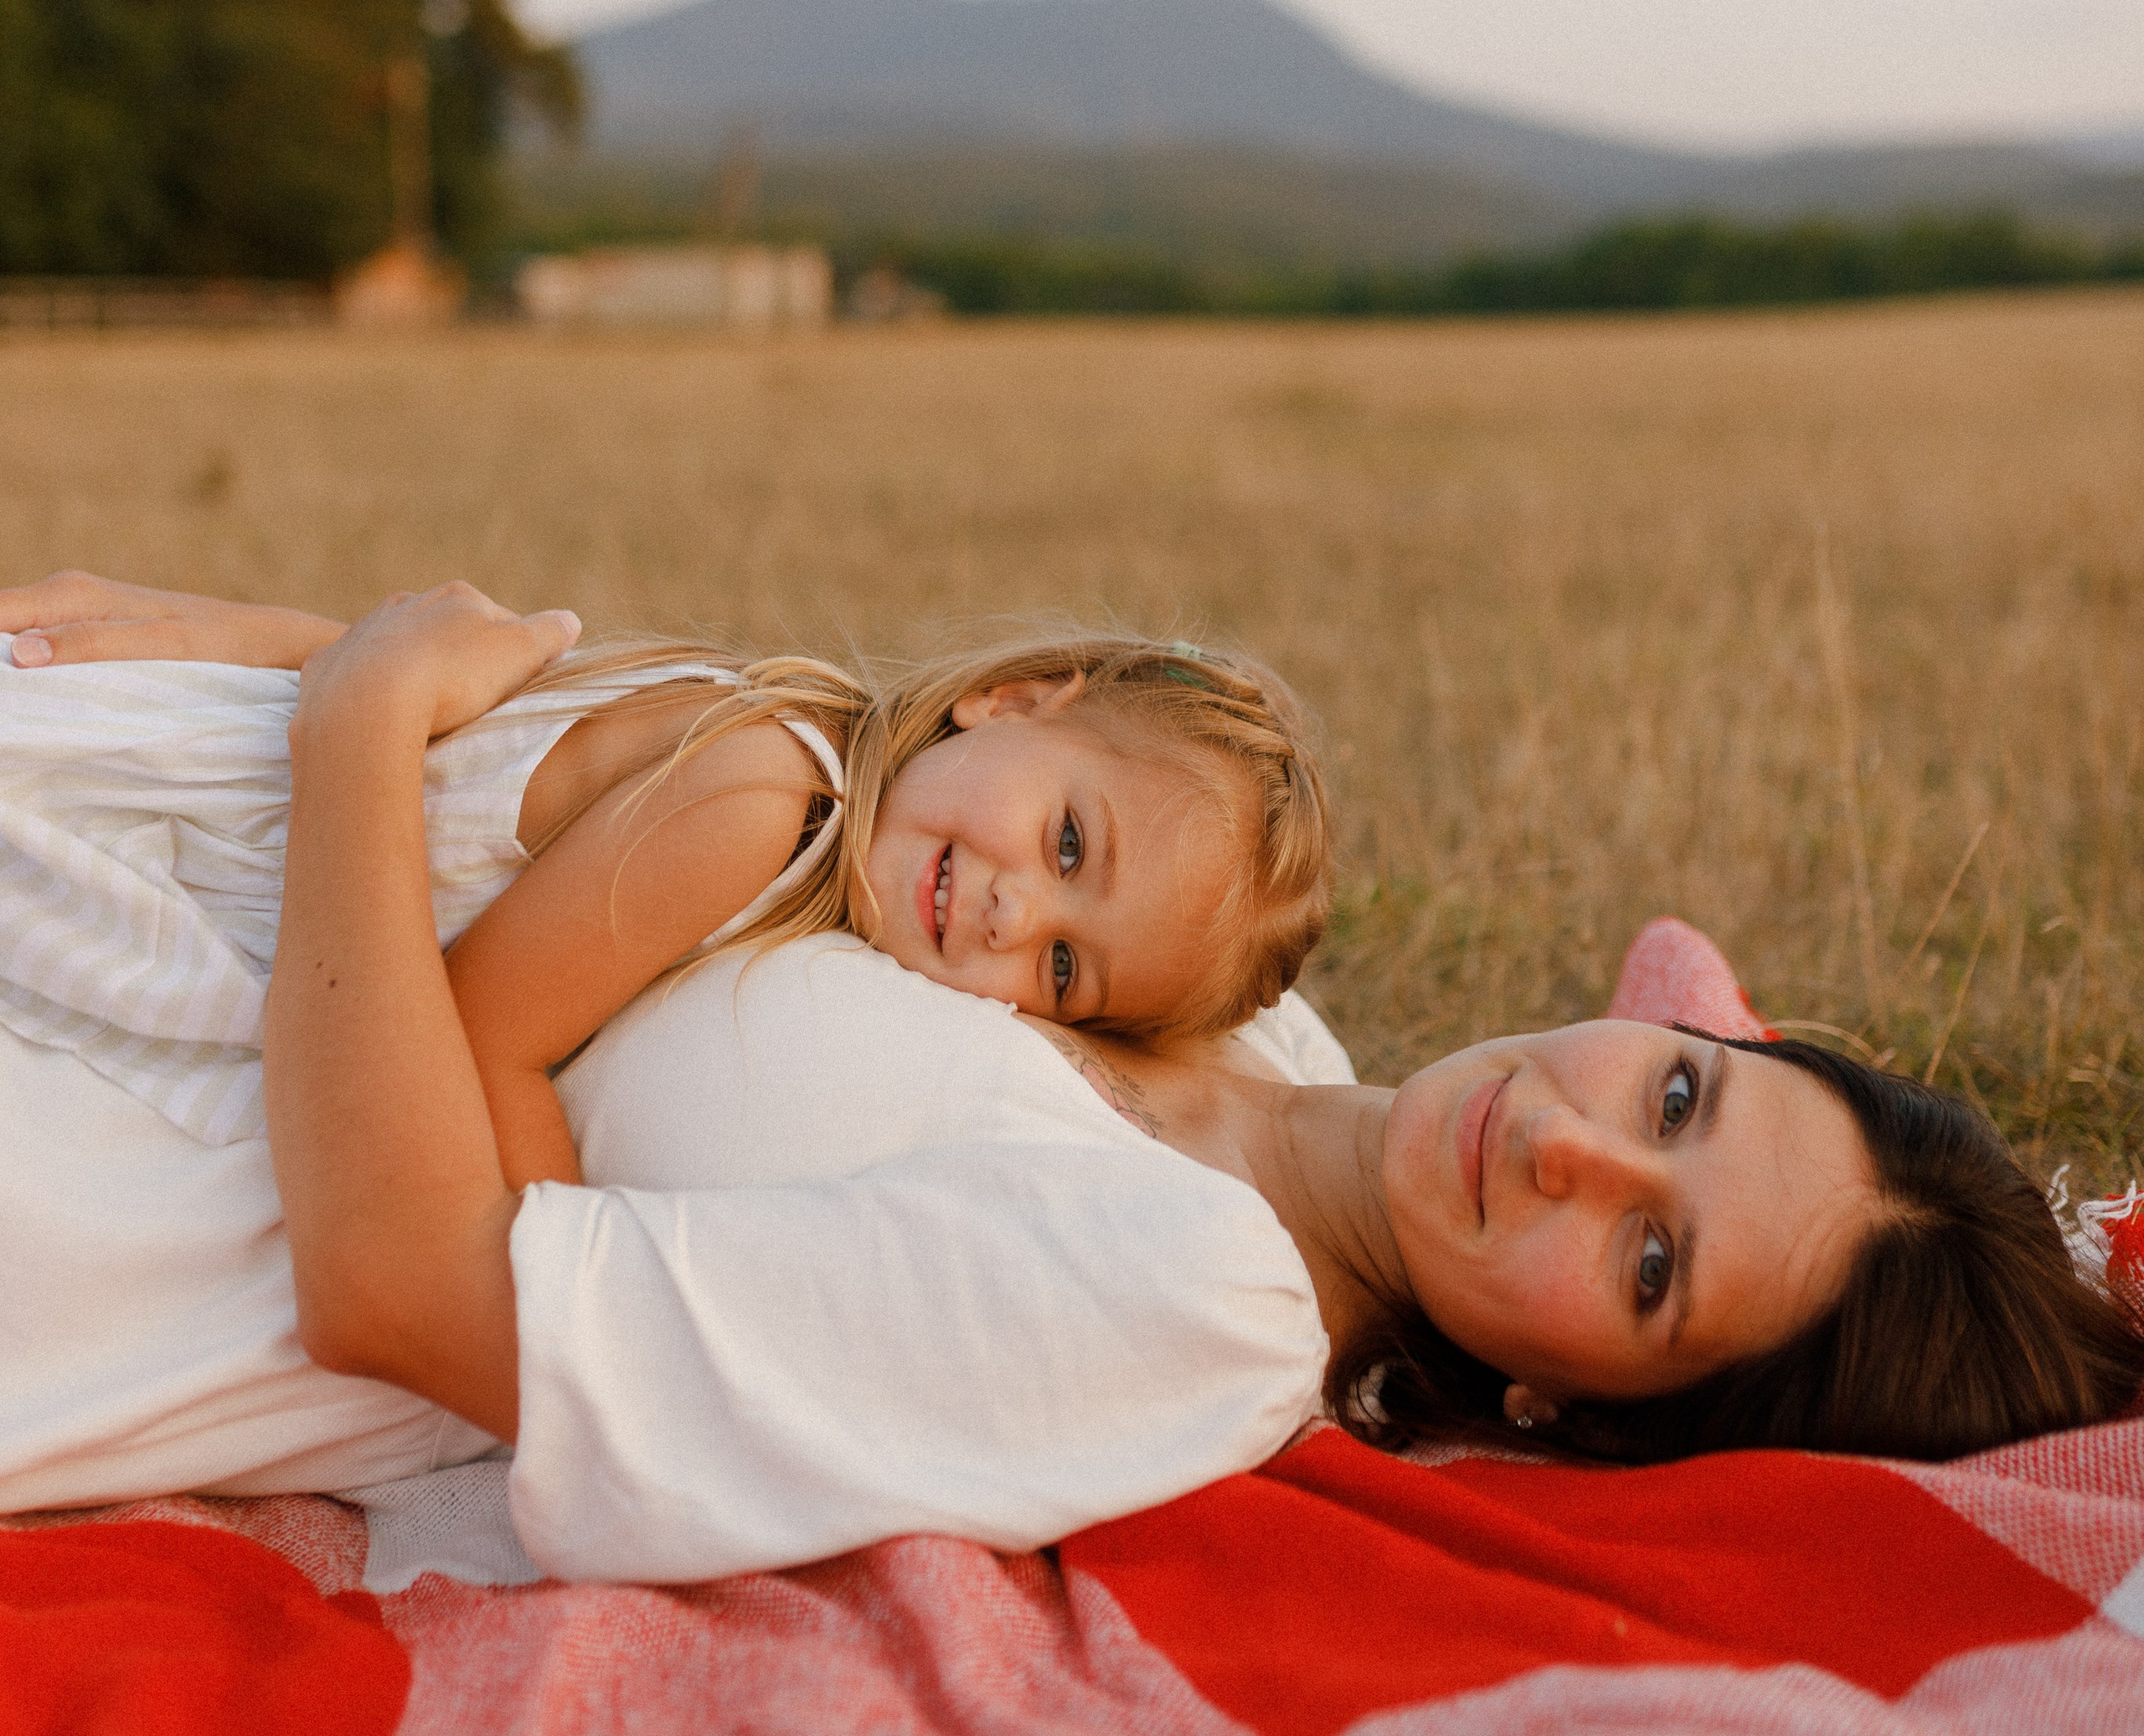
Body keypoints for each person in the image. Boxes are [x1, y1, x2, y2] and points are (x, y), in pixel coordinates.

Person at [0, 579, 2136, 1578]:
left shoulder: (1185, 1305)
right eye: (1672, 1098)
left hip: (134, 1198)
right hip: (199, 918)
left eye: (1647, 1269)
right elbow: (666, 768)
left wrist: (351, 724)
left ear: (1567, 1414)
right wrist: (274, 651)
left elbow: (396, 1285)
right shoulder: (1255, 1023)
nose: (1567, 1148)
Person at [0, 568, 1332, 1182]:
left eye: (1065, 966)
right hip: (177, 833)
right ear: (1014, 699)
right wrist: (566, 1273)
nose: (1013, 911)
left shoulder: (799, 752)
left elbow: (456, 704)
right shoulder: (767, 802)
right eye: (1069, 842)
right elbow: (483, 1042)